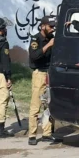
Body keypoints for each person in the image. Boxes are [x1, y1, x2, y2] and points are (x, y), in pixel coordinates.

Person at [28, 15, 56, 146]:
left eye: (54, 27)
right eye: (50, 26)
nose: (52, 29)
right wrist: (49, 45)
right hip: (39, 74)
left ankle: (47, 133)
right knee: (36, 105)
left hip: (49, 73)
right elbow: (34, 56)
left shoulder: (52, 38)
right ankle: (32, 135)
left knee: (49, 105)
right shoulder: (36, 39)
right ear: (43, 26)